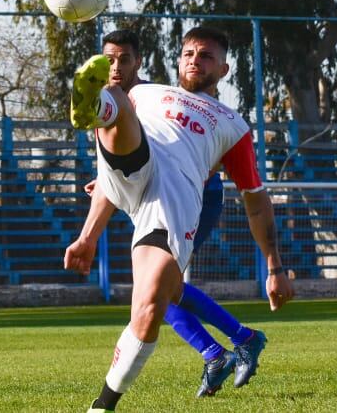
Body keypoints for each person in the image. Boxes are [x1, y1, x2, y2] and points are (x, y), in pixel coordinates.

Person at [64, 26, 294, 412]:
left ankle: (102, 406)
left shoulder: (232, 125)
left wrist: (275, 267)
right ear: (178, 59)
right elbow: (113, 173)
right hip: (131, 165)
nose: (194, 61)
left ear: (223, 69)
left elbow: (255, 202)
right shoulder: (146, 92)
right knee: (120, 100)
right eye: (188, 53)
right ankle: (97, 107)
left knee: (153, 303)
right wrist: (87, 237)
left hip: (173, 196)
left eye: (206, 56)